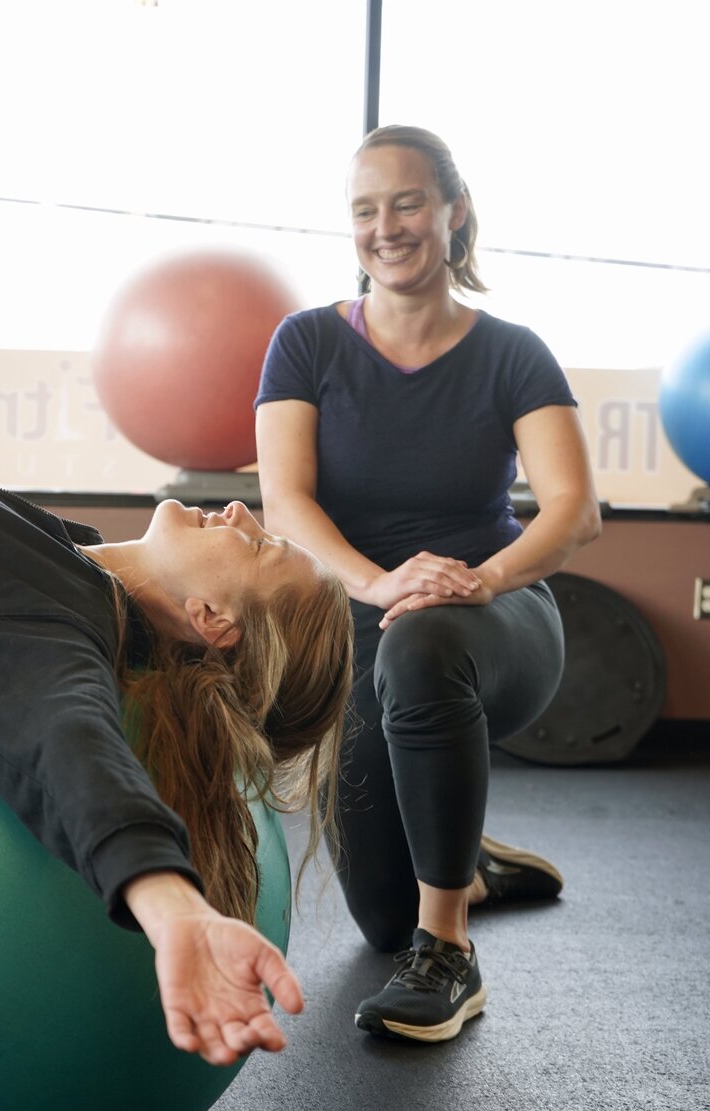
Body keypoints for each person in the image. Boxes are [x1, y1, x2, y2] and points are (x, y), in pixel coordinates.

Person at [254, 124, 602, 1044]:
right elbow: (285, 503)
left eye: (407, 202)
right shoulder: (305, 345)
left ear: (454, 214)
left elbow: (574, 510)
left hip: (496, 618)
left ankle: (449, 952)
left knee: (424, 640)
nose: (387, 226)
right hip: (365, 615)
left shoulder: (513, 352)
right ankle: (470, 862)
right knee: (377, 919)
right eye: (365, 209)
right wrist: (377, 584)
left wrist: (481, 580)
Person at [0, 475, 353, 1065]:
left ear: (214, 621)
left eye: (257, 544)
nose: (239, 511)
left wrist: (174, 910)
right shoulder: (64, 563)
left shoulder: (53, 607)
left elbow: (69, 740)